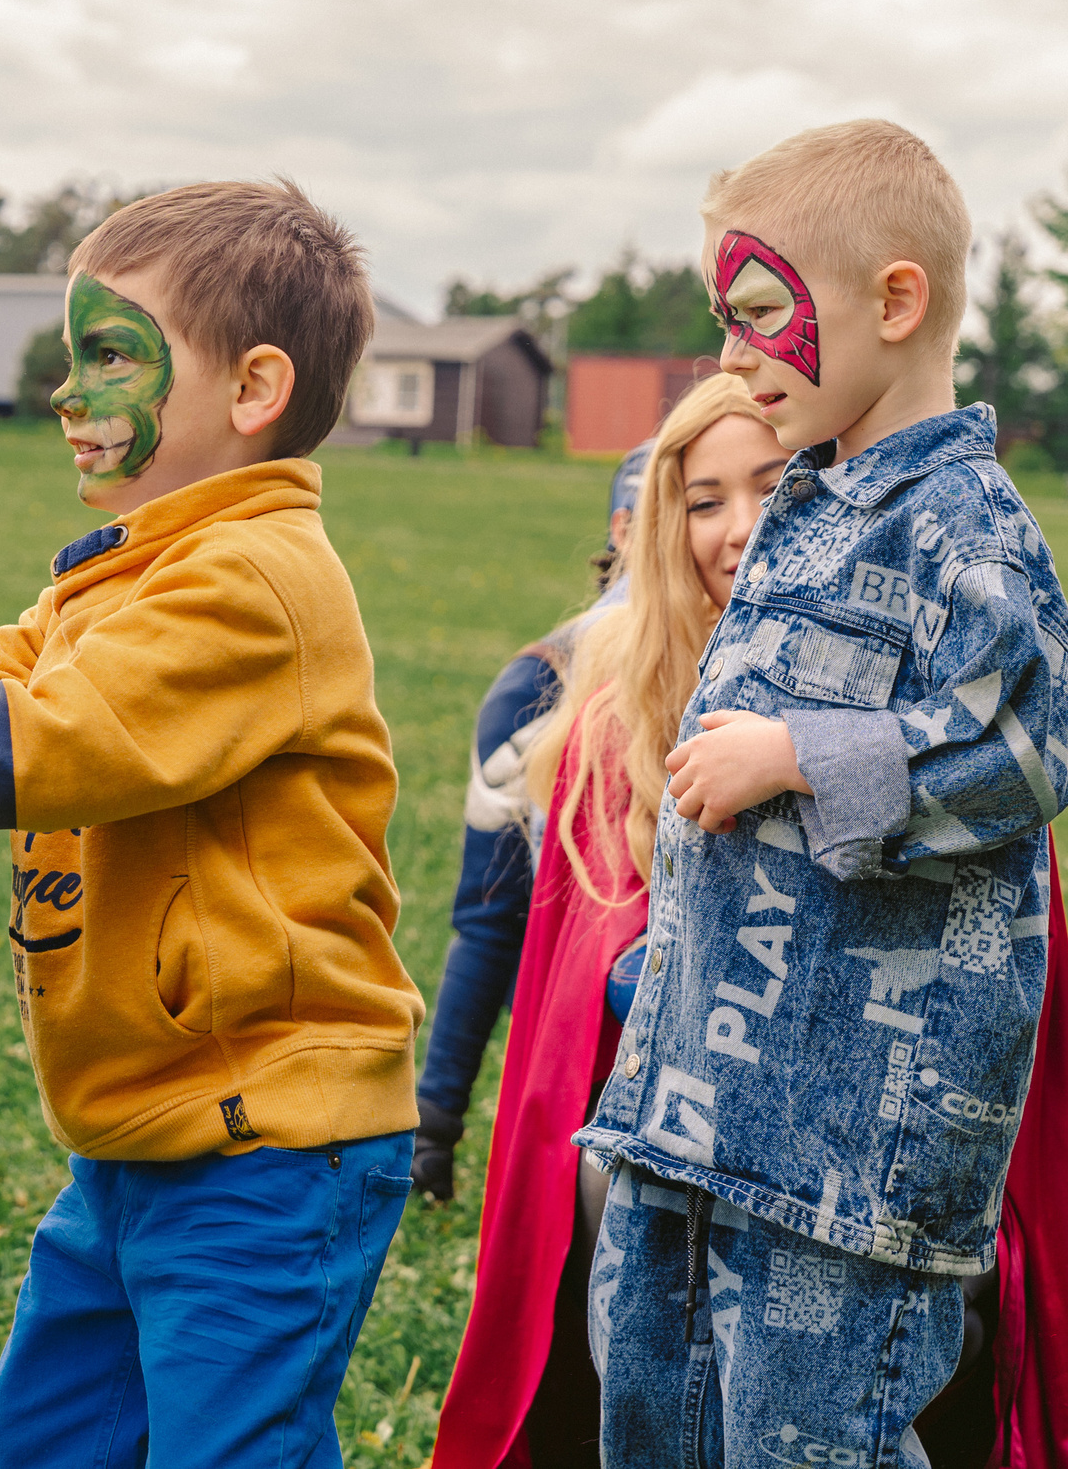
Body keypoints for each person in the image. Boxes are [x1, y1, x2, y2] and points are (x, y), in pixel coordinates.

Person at [0, 180, 423, 1469]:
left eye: (111, 355)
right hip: (132, 1134)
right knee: (44, 1446)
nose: (67, 396)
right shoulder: (118, 576)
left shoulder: (254, 580)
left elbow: (48, 745)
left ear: (253, 390)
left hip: (268, 1140)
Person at [573, 120, 1068, 1467]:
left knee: (812, 1437)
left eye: (758, 318)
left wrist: (798, 752)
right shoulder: (812, 503)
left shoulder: (965, 527)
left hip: (844, 1155)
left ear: (896, 301)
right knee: (655, 1414)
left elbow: (1024, 749)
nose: (732, 358)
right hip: (699, 1105)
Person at [432, 376, 788, 1468]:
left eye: (770, 490)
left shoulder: (906, 696)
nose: (735, 532)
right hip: (641, 1164)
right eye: (703, 500)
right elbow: (524, 947)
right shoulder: (597, 707)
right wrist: (434, 1112)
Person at [414, 438, 655, 1204]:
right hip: (592, 1045)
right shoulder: (550, 684)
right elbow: (489, 925)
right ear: (622, 529)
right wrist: (434, 1127)